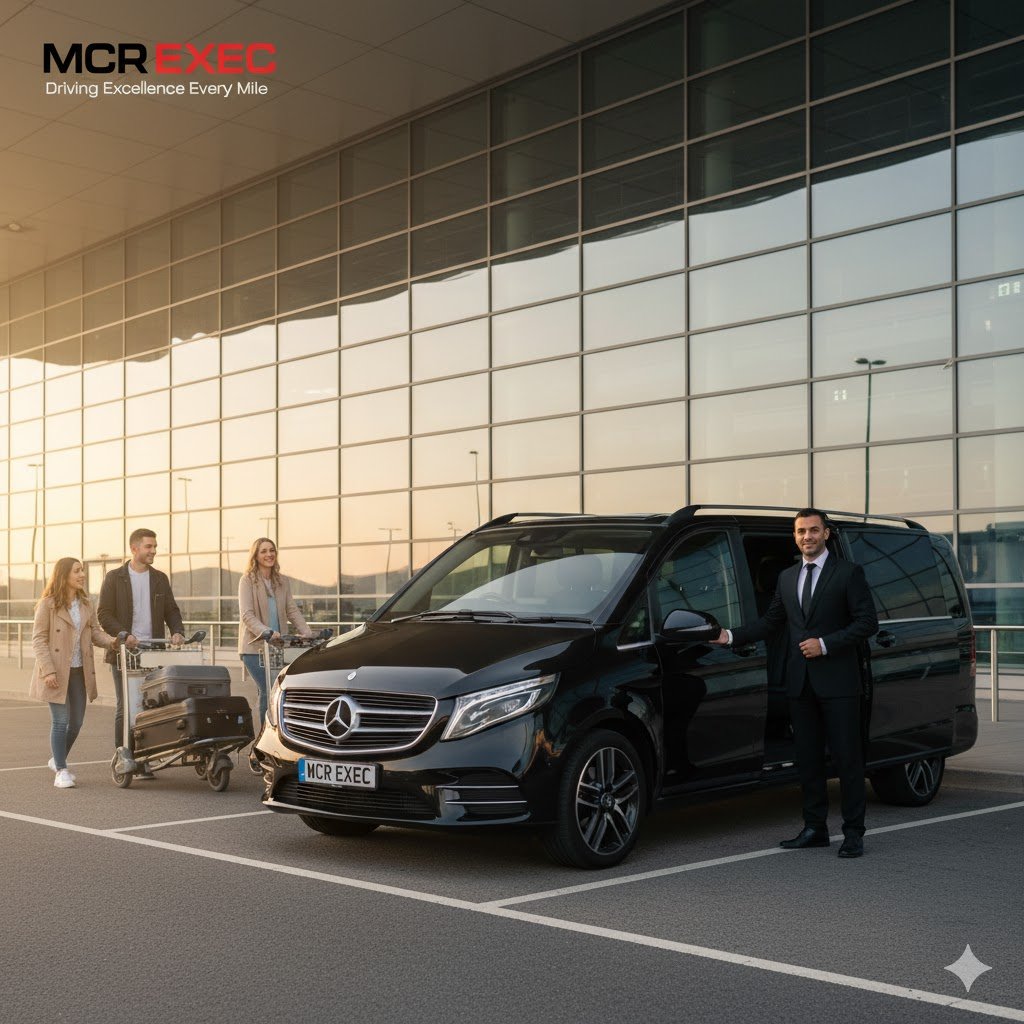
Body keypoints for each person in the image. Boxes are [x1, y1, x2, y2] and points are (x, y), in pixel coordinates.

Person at [710, 508, 878, 858]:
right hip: (800, 684)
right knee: (808, 760)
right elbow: (771, 622)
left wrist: (826, 643)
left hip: (839, 684)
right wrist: (729, 636)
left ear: (826, 534)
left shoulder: (848, 573)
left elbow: (867, 623)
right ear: (795, 535)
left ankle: (853, 833)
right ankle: (815, 828)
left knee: (848, 760)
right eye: (801, 531)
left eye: (814, 530)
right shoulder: (788, 578)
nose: (807, 537)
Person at [29, 558, 120, 789]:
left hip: (80, 671)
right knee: (60, 722)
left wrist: (113, 642)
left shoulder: (86, 604)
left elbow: (95, 633)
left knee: (77, 722)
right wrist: (47, 670)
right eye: (77, 571)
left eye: (82, 571)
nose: (82, 575)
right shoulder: (47, 604)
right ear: (63, 575)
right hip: (56, 672)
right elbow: (39, 640)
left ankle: (56, 758)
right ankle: (61, 770)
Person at [99, 528, 185, 769]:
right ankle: (123, 755)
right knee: (125, 705)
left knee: (152, 705)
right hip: (124, 651)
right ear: (134, 548)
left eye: (155, 547)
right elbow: (104, 614)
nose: (153, 551)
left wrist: (177, 630)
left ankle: (146, 757)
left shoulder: (159, 578)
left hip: (153, 651)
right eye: (149, 547)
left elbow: (171, 610)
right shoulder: (114, 577)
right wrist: (123, 635)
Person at [238, 538, 312, 726]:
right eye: (263, 551)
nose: (269, 554)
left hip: (277, 646)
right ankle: (264, 736)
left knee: (273, 690)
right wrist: (266, 631)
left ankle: (274, 732)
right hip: (254, 648)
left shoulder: (282, 581)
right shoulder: (247, 580)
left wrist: (306, 632)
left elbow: (292, 610)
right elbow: (247, 615)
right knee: (269, 689)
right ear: (256, 555)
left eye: (272, 550)